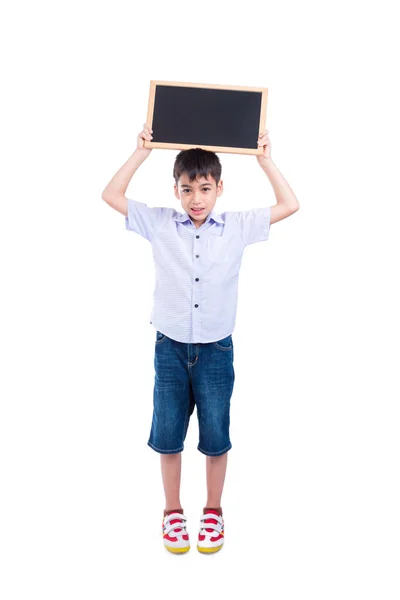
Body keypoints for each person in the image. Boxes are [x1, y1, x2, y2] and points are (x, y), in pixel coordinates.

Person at [101, 123, 300, 554]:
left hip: (216, 351)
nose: (196, 199)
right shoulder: (159, 223)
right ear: (176, 190)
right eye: (188, 189)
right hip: (169, 349)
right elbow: (111, 196)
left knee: (215, 435)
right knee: (168, 434)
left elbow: (290, 204)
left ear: (219, 188)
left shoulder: (237, 227)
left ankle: (213, 511)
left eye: (205, 189)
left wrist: (264, 159)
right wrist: (141, 152)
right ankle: (173, 511)